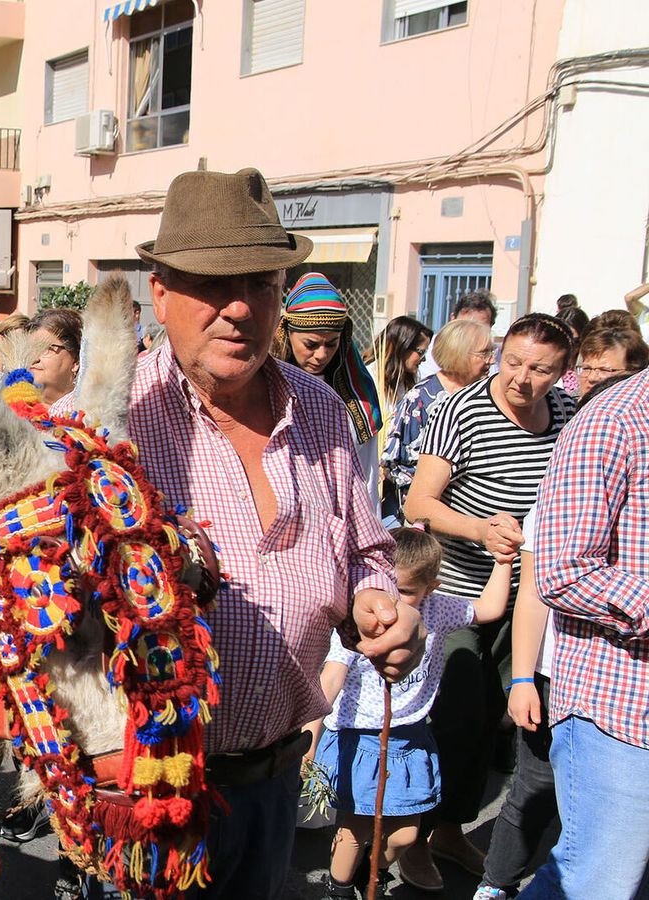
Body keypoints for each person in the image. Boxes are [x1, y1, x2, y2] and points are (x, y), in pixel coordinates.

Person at [128, 167, 423, 898]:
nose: (239, 309)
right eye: (210, 285)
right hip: (152, 793)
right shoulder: (110, 421)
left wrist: (378, 605)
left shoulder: (322, 411)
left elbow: (366, 552)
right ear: (160, 292)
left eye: (261, 283)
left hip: (274, 786)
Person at [402, 312, 575, 881]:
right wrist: (480, 528)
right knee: (452, 714)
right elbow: (418, 505)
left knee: (493, 723)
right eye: (514, 361)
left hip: (532, 599)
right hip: (460, 594)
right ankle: (417, 840)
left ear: (563, 373)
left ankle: (452, 831)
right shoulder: (462, 409)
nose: (523, 378)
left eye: (541, 369)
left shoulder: (569, 415)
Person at [315, 527, 512, 898]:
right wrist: (308, 736)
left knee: (405, 832)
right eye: (386, 589)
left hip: (411, 735)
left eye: (405, 592)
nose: (392, 605)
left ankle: (371, 870)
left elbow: (489, 609)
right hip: (360, 738)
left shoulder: (438, 611)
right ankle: (338, 889)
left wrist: (503, 561)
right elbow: (332, 676)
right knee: (356, 827)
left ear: (430, 588)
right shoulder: (362, 621)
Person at [521, 369, 649, 900]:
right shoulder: (615, 420)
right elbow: (562, 570)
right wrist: (521, 677)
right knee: (599, 880)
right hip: (621, 708)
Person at [272, 272, 384, 503]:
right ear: (287, 334)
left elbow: (367, 475)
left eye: (331, 344)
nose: (321, 355)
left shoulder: (358, 398)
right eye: (310, 344)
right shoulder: (265, 388)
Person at [379, 318, 495, 526]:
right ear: (459, 353)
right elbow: (399, 466)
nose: (491, 361)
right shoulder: (421, 400)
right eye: (484, 353)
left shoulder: (483, 395)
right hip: (427, 522)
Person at [370, 315, 434, 435]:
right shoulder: (370, 379)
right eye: (421, 352)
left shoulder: (409, 383)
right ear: (402, 347)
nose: (424, 359)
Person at [418, 290, 497, 380]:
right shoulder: (429, 349)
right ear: (453, 319)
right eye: (465, 325)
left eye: (481, 327)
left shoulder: (496, 356)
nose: (473, 333)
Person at [26, 307, 81, 417]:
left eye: (46, 348)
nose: (34, 358)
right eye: (29, 349)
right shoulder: (12, 408)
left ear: (76, 361)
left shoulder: (86, 417)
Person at [572, 326, 648, 398]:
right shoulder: (567, 408)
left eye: (604, 370)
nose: (592, 378)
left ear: (634, 374)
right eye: (586, 368)